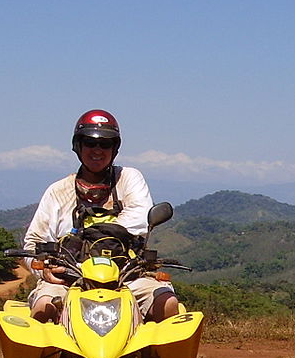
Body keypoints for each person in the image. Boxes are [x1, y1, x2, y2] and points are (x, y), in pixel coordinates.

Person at [24, 109, 179, 323]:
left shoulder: (128, 178)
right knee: (43, 308)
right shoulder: (58, 191)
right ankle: (41, 357)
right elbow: (33, 242)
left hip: (127, 277)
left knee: (168, 305)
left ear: (114, 148)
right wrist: (44, 272)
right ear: (78, 145)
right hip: (69, 279)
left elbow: (140, 218)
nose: (97, 149)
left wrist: (94, 236)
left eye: (105, 144)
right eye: (90, 142)